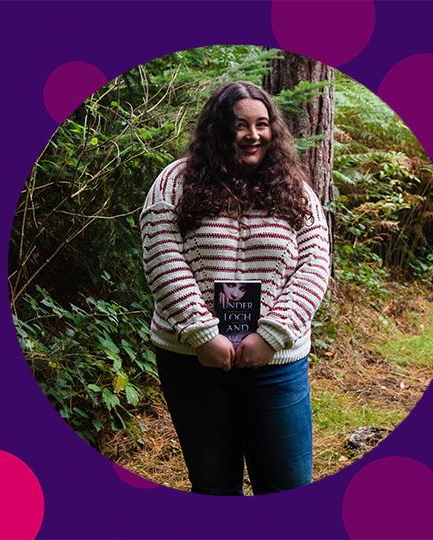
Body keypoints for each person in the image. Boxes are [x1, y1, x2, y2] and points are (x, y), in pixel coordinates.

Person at [139, 81, 330, 495]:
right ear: (218, 129)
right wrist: (202, 334)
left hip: (276, 362)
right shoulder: (175, 182)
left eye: (262, 124)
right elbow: (162, 258)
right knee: (213, 485)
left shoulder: (296, 191)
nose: (253, 135)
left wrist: (273, 334)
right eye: (240, 125)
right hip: (192, 361)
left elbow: (315, 266)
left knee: (287, 485)